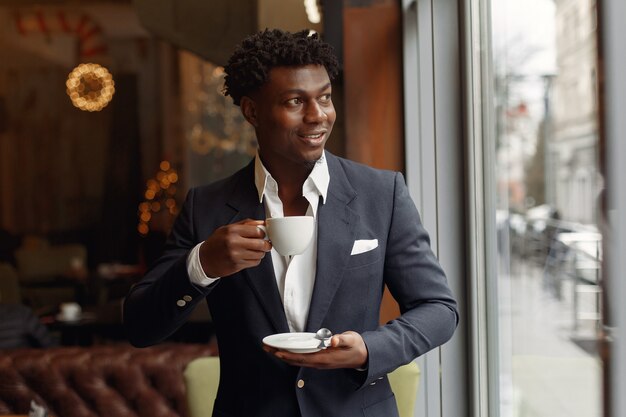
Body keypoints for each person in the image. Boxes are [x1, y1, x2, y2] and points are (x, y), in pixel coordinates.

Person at [123, 29, 458, 417]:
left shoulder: (382, 194)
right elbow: (140, 326)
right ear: (252, 111)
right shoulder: (207, 207)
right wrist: (202, 264)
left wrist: (369, 348)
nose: (318, 115)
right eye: (295, 101)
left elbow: (438, 309)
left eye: (325, 97)